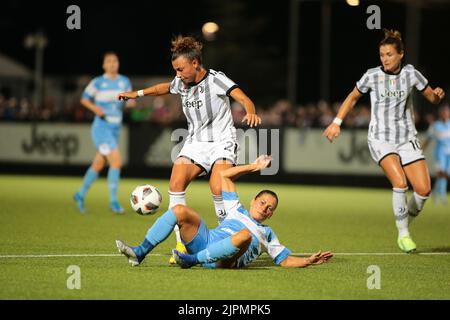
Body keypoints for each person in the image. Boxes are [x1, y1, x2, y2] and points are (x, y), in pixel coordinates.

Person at [118, 36, 261, 263]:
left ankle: (225, 238)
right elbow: (162, 88)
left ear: (195, 63)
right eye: (175, 70)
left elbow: (242, 97)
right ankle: (181, 245)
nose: (178, 74)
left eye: (181, 69)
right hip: (196, 142)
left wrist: (250, 110)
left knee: (218, 186)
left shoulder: (216, 80)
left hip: (221, 141)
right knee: (176, 181)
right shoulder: (181, 83)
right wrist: (138, 94)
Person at [323, 29, 445, 253]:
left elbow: (431, 98)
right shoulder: (372, 75)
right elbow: (352, 97)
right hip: (381, 138)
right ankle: (403, 234)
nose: (385, 59)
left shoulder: (411, 74)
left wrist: (437, 94)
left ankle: (403, 219)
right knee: (400, 184)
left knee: (424, 190)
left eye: (389, 54)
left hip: (406, 137)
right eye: (382, 55)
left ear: (401, 54)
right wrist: (336, 122)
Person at [116, 155, 333, 269]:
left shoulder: (267, 234)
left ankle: (192, 261)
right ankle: (140, 253)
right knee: (180, 210)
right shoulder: (235, 209)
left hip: (225, 262)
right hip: (206, 241)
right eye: (263, 202)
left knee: (246, 236)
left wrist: (308, 260)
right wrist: (254, 167)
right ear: (253, 201)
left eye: (270, 208)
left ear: (271, 214)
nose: (265, 208)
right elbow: (225, 176)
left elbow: (284, 260)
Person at [74, 52, 135, 214]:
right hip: (101, 128)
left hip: (115, 129)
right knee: (116, 162)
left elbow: (130, 101)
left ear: (118, 63)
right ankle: (114, 201)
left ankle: (80, 194)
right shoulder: (98, 82)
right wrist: (95, 108)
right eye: (109, 61)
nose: (112, 64)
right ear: (104, 65)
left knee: (98, 164)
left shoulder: (124, 81)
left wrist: (130, 103)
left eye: (115, 61)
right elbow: (84, 99)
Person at [423, 105, 450, 204]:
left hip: (449, 154)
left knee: (446, 175)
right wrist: (421, 150)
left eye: (447, 112)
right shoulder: (435, 125)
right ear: (440, 113)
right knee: (441, 173)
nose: (445, 114)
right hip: (440, 153)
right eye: (443, 112)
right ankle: (442, 197)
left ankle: (434, 193)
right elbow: (428, 138)